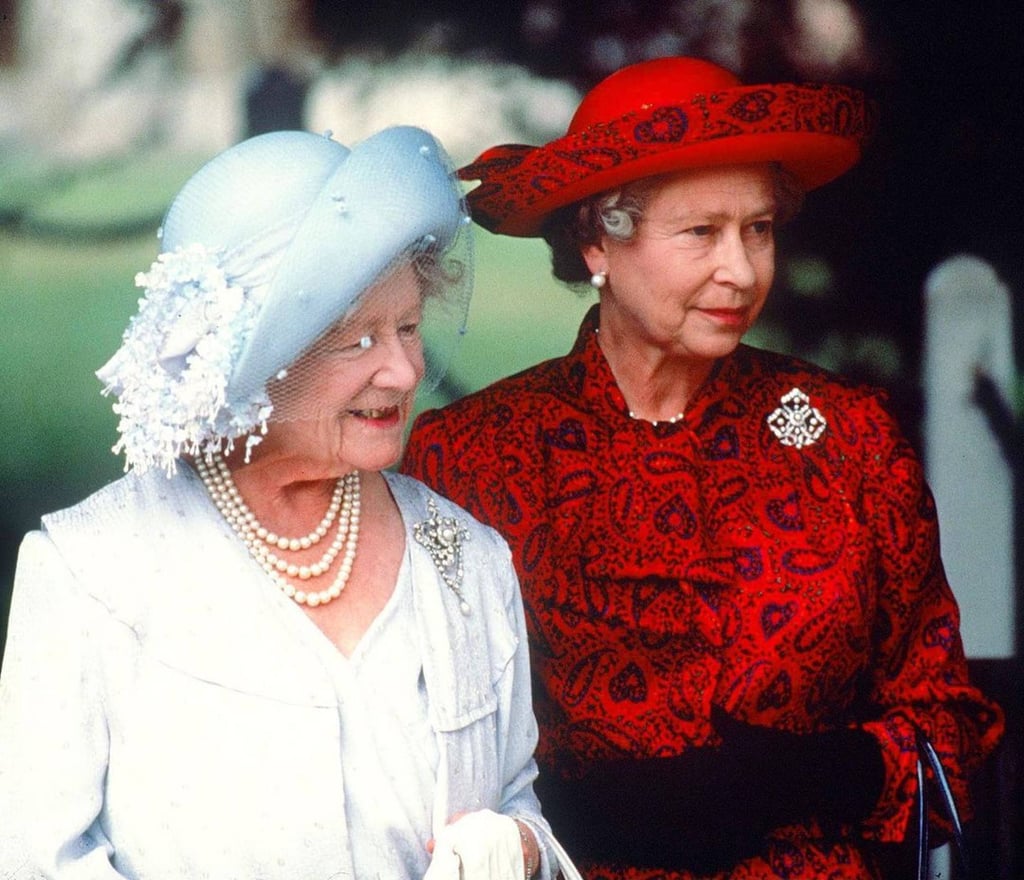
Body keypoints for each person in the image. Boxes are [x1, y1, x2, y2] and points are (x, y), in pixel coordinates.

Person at [402, 57, 1005, 879]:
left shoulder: (849, 441)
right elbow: (412, 739)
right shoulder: (472, 457)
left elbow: (952, 736)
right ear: (595, 242)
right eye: (701, 233)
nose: (743, 270)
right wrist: (562, 816)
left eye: (758, 228)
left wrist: (819, 774)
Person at [0, 126, 584, 880]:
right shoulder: (92, 572)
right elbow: (33, 857)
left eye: (407, 327)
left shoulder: (464, 555)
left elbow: (514, 797)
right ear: (256, 364)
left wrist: (521, 847)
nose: (405, 370)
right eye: (358, 341)